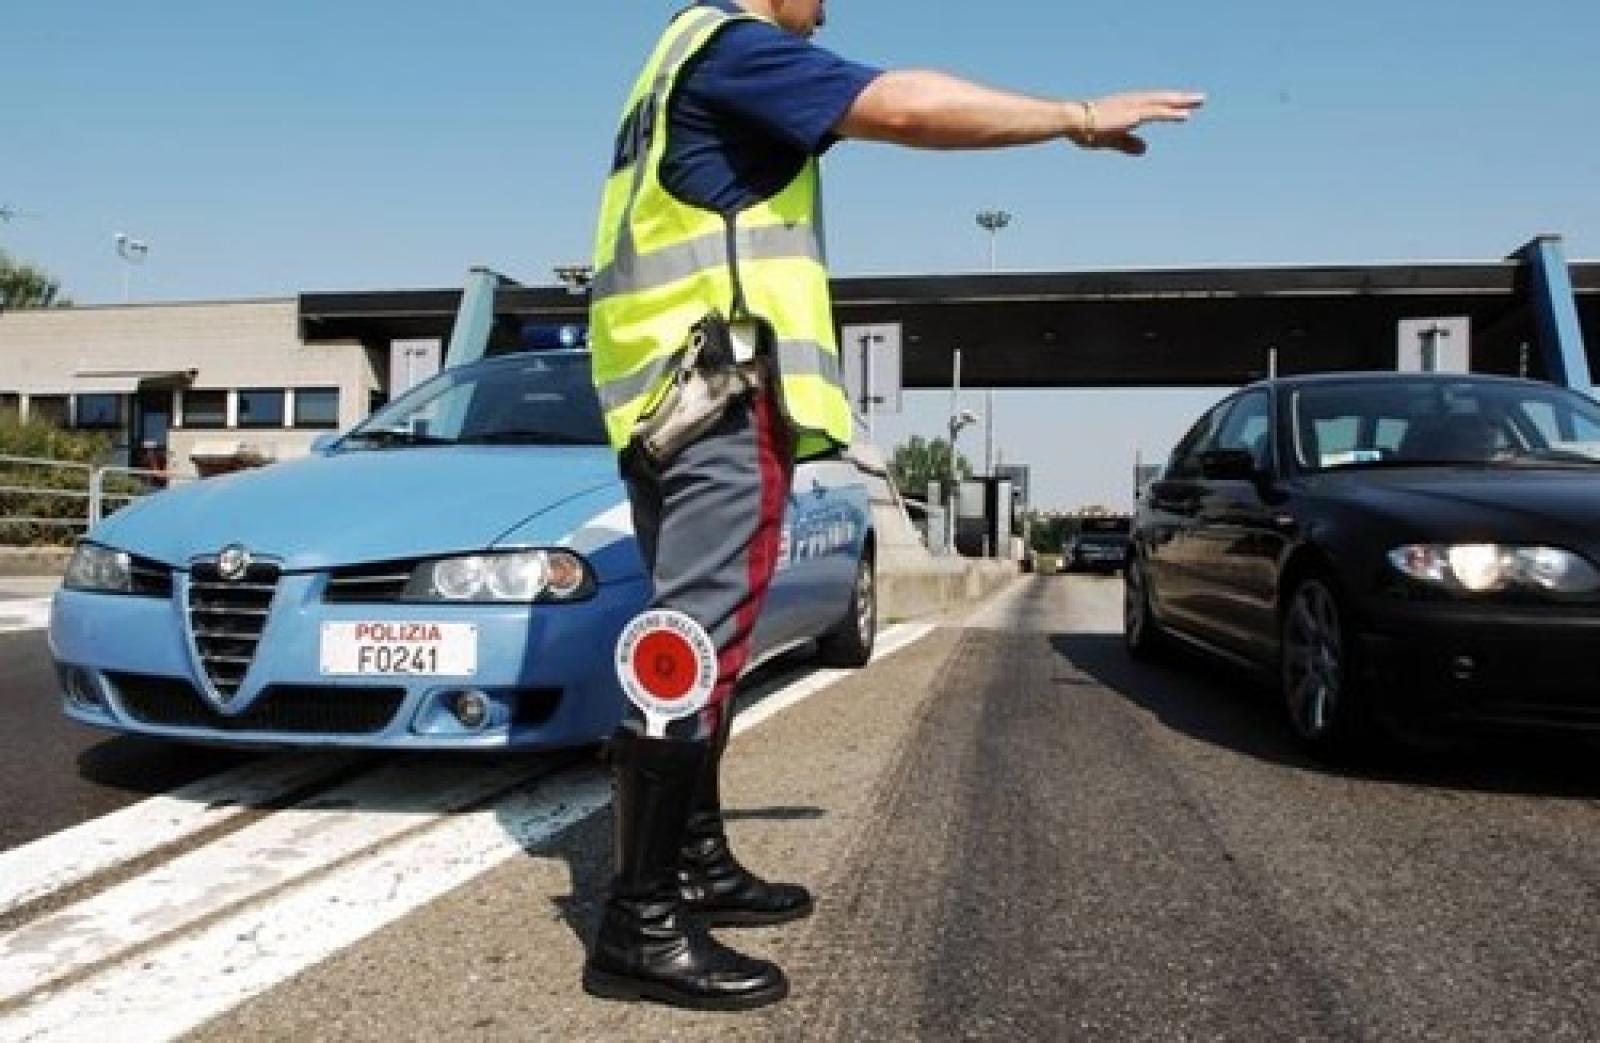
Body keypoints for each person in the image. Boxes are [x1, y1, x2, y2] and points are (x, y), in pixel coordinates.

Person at [583, 0, 1204, 1012]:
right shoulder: (737, 50)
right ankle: (639, 921)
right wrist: (1075, 113)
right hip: (716, 401)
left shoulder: (669, 61)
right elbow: (905, 106)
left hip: (663, 404)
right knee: (688, 652)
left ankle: (693, 860)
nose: (828, 8)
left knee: (704, 647)